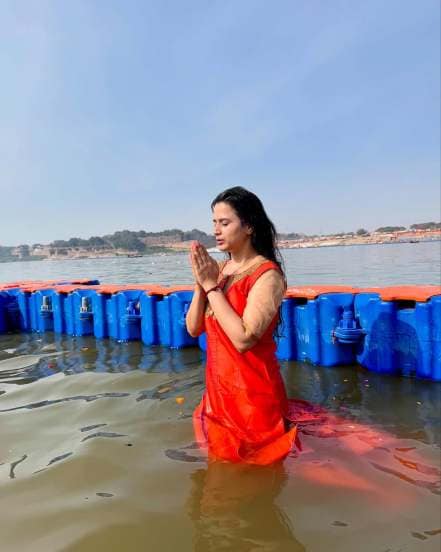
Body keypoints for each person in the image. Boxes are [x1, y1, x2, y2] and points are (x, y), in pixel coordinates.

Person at [186, 186, 297, 465]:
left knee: (257, 475)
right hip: (220, 394)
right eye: (214, 223)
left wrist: (211, 286)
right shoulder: (219, 271)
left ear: (248, 226)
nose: (216, 230)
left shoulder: (267, 275)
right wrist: (202, 284)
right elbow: (193, 328)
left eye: (225, 223)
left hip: (252, 398)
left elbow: (244, 338)